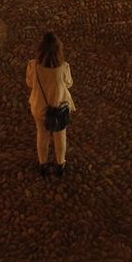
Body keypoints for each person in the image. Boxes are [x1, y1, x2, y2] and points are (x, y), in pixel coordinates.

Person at [26, 32, 75, 177]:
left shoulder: (33, 66)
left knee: (42, 134)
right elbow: (69, 83)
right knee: (60, 136)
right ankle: (60, 164)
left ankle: (43, 164)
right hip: (59, 108)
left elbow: (29, 83)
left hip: (39, 107)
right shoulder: (64, 67)